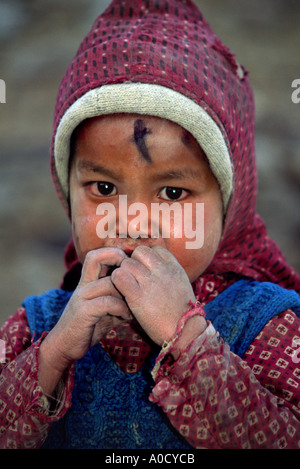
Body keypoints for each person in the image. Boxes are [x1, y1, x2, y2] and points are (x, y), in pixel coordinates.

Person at [0, 0, 300, 450]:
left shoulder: (269, 326)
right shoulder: (37, 327)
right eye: (102, 188)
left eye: (173, 193)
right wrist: (53, 356)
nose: (133, 223)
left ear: (230, 206)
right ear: (66, 190)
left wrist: (189, 340)